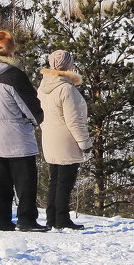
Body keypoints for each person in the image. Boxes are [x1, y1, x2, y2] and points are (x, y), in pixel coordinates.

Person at [0, 30, 50, 232]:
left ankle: (1, 219)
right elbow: (31, 106)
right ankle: (26, 219)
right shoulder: (14, 76)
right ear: (9, 52)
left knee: (0, 180)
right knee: (25, 180)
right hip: (17, 135)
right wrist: (36, 120)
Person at [38, 49, 91, 230]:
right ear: (69, 66)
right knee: (65, 182)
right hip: (66, 141)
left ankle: (51, 217)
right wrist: (85, 144)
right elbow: (74, 121)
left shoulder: (43, 87)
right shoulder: (67, 89)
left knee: (55, 179)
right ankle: (62, 219)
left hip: (49, 139)